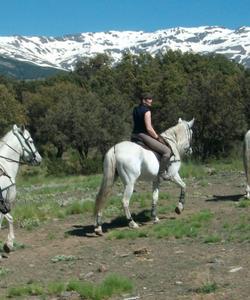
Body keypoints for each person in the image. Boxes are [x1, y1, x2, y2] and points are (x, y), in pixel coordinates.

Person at [131, 92, 172, 180]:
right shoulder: (147, 111)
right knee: (167, 151)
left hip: (134, 135)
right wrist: (157, 137)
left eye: (151, 98)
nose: (151, 100)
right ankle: (161, 174)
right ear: (143, 101)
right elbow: (149, 128)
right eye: (149, 99)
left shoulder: (135, 109)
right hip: (143, 136)